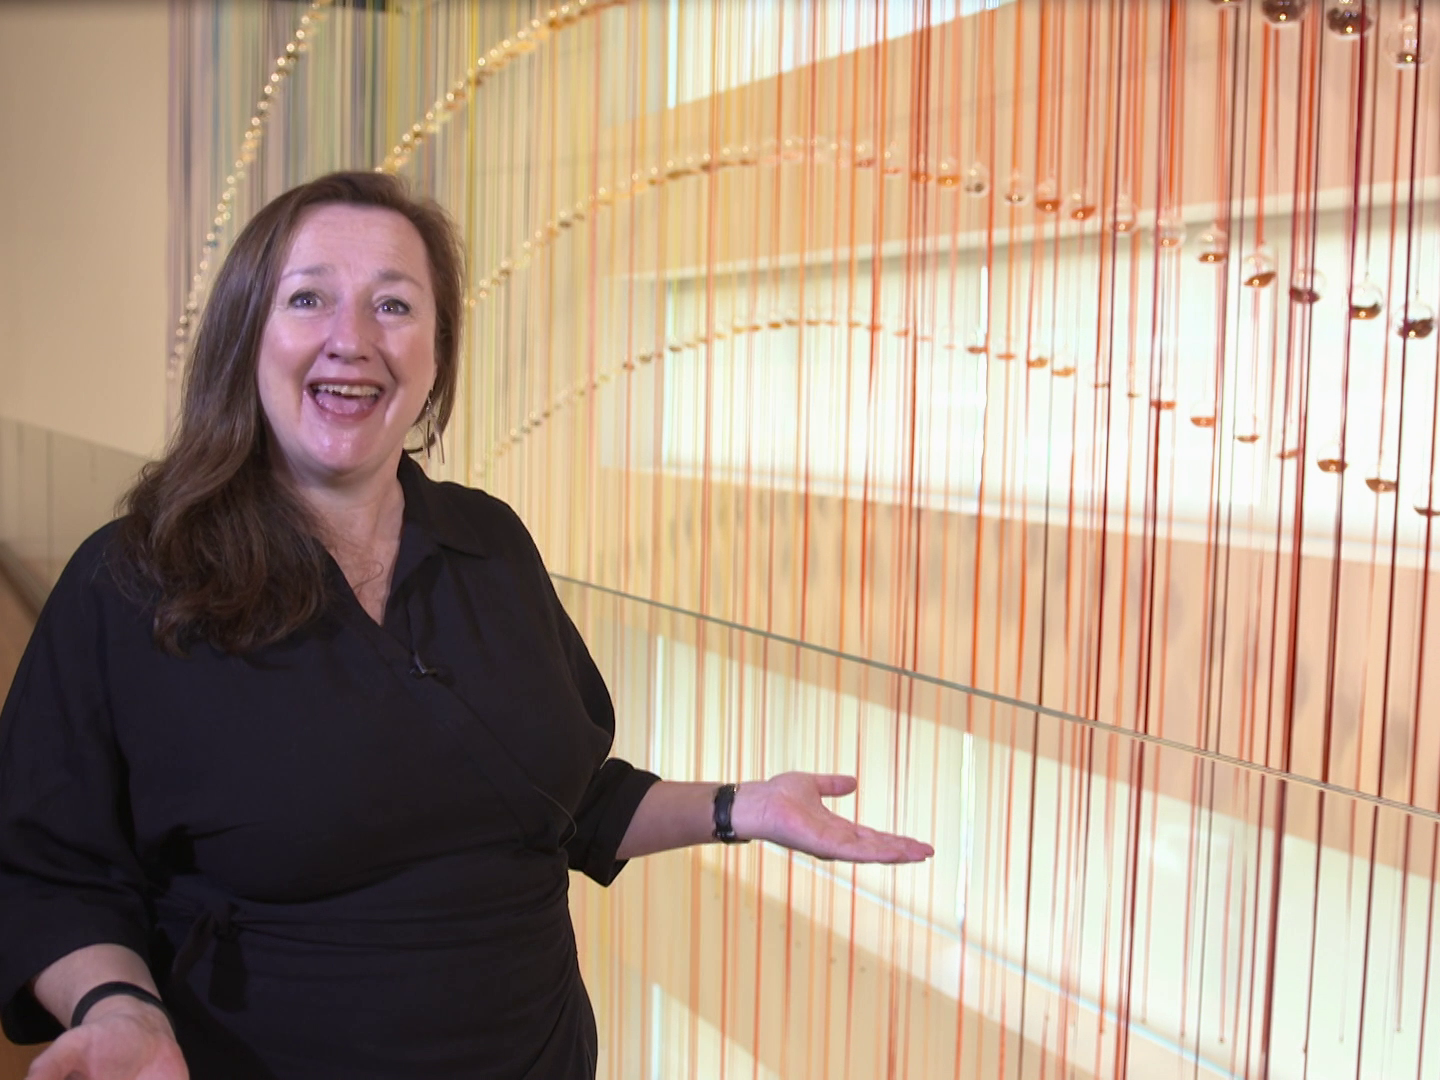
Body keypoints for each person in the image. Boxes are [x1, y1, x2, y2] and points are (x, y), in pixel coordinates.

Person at [0, 171, 932, 1080]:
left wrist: (741, 807)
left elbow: (566, 802)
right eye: (309, 299)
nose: (353, 339)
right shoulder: (135, 577)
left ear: (437, 352)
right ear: (247, 337)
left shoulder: (488, 540)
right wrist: (119, 1008)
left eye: (395, 306)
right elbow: (45, 868)